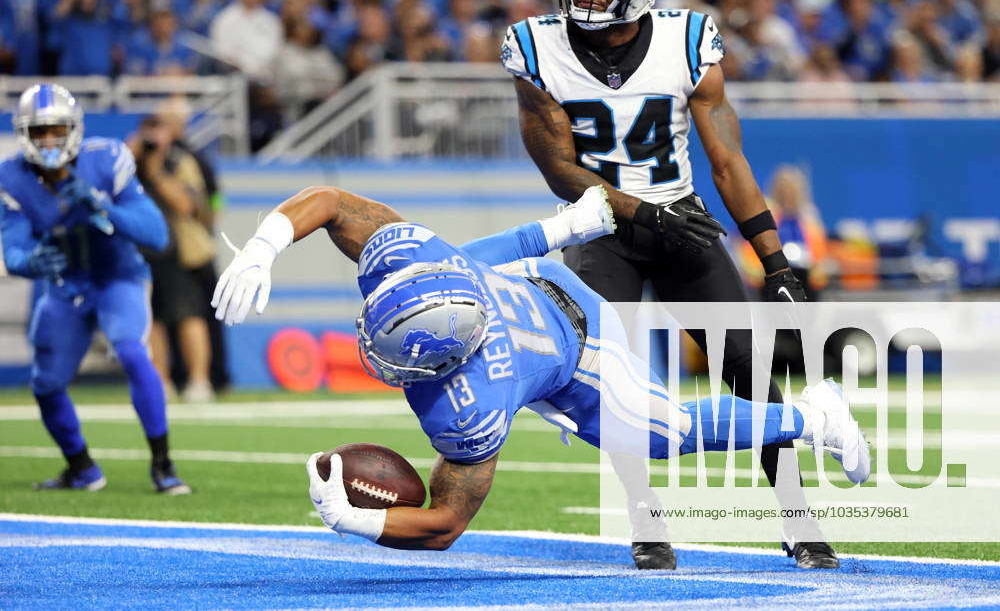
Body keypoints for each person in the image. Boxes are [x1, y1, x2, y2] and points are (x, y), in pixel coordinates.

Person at [211, 185, 869, 561]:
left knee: (656, 431)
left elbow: (444, 525)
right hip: (521, 278)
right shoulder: (415, 258)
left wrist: (353, 520)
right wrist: (263, 249)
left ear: (448, 363)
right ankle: (563, 228)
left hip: (576, 343)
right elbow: (327, 200)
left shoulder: (470, 405)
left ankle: (815, 415)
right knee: (471, 259)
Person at [499, 0, 837, 569]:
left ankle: (798, 515)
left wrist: (778, 263)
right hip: (599, 230)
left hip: (683, 227)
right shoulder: (534, 47)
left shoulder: (687, 39)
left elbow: (728, 161)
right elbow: (558, 168)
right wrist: (640, 211)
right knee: (613, 380)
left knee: (750, 367)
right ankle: (645, 517)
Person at [0, 84, 191, 494]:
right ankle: (81, 468)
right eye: (40, 132)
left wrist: (102, 207)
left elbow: (156, 234)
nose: (49, 140)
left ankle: (163, 464)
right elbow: (13, 250)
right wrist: (30, 261)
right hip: (66, 285)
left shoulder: (105, 159)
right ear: (24, 135)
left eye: (56, 130)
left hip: (117, 275)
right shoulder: (12, 177)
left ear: (74, 129)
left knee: (131, 351)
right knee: (46, 383)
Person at [129, 115, 215, 403]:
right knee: (151, 320)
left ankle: (199, 381)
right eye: (148, 132)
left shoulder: (180, 162)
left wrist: (155, 171)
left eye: (158, 131)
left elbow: (188, 205)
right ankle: (160, 382)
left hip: (178, 251)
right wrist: (130, 158)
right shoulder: (130, 163)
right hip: (141, 251)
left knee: (188, 315)